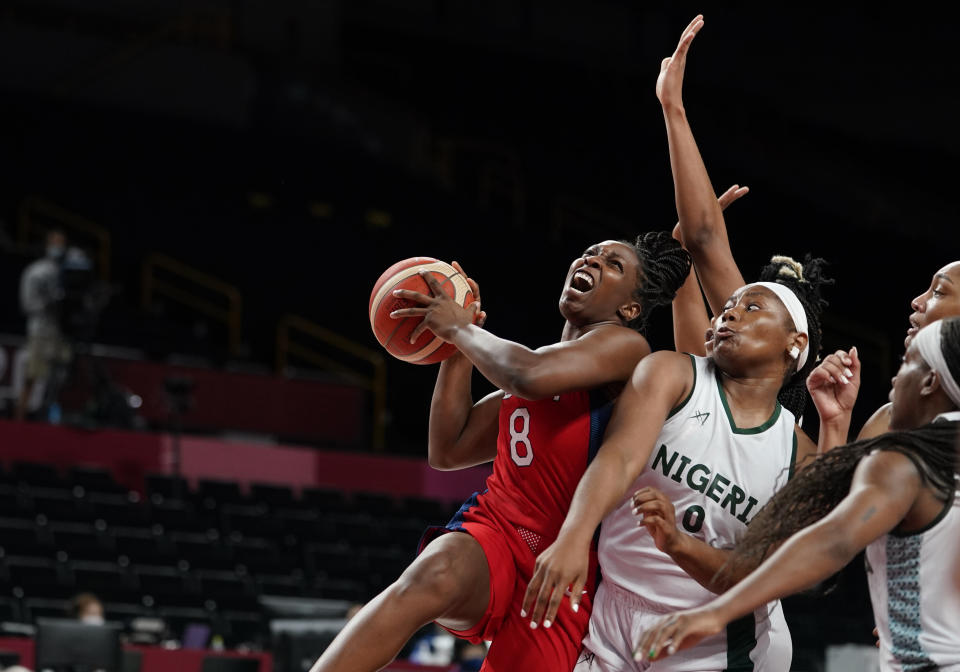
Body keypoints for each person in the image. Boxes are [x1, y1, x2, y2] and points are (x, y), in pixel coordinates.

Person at [311, 234, 692, 672]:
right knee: (430, 577)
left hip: (565, 562)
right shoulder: (538, 362)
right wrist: (455, 352)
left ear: (629, 308)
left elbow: (529, 375)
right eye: (591, 252)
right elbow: (448, 447)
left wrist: (461, 328)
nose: (593, 259)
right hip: (496, 529)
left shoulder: (628, 349)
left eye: (614, 264)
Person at [521, 250, 828, 672]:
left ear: (795, 343)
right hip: (614, 612)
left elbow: (758, 575)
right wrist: (574, 536)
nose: (731, 313)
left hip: (715, 642)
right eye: (727, 307)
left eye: (751, 307)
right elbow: (620, 455)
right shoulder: (672, 371)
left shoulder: (799, 454)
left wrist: (678, 544)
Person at [637, 317, 960, 672]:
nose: (896, 379)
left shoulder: (904, 463)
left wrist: (716, 612)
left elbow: (833, 539)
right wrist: (835, 425)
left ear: (931, 380)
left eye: (907, 363)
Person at [811, 260, 960, 452]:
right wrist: (834, 424)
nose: (916, 302)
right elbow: (835, 483)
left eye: (938, 292)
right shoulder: (888, 420)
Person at [16, 228, 71, 421]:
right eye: (55, 242)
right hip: (40, 329)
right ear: (47, 245)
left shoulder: (66, 272)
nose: (58, 247)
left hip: (60, 330)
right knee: (33, 374)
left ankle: (50, 419)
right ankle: (19, 421)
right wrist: (48, 303)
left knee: (61, 376)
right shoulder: (36, 271)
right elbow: (27, 303)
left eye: (61, 243)